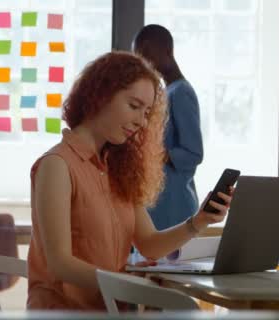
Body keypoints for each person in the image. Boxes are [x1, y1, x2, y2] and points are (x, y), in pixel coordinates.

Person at [26, 51, 231, 311]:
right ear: (99, 96)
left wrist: (199, 222)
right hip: (65, 312)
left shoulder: (116, 169)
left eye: (146, 112)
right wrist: (128, 282)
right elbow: (60, 264)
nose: (141, 121)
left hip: (113, 308)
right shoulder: (56, 165)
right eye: (134, 106)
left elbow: (149, 244)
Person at [132, 24, 204, 230]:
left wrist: (154, 152)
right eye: (138, 56)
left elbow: (194, 153)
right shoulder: (165, 93)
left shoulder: (181, 92)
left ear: (168, 51)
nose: (143, 62)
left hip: (175, 206)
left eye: (146, 54)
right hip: (158, 205)